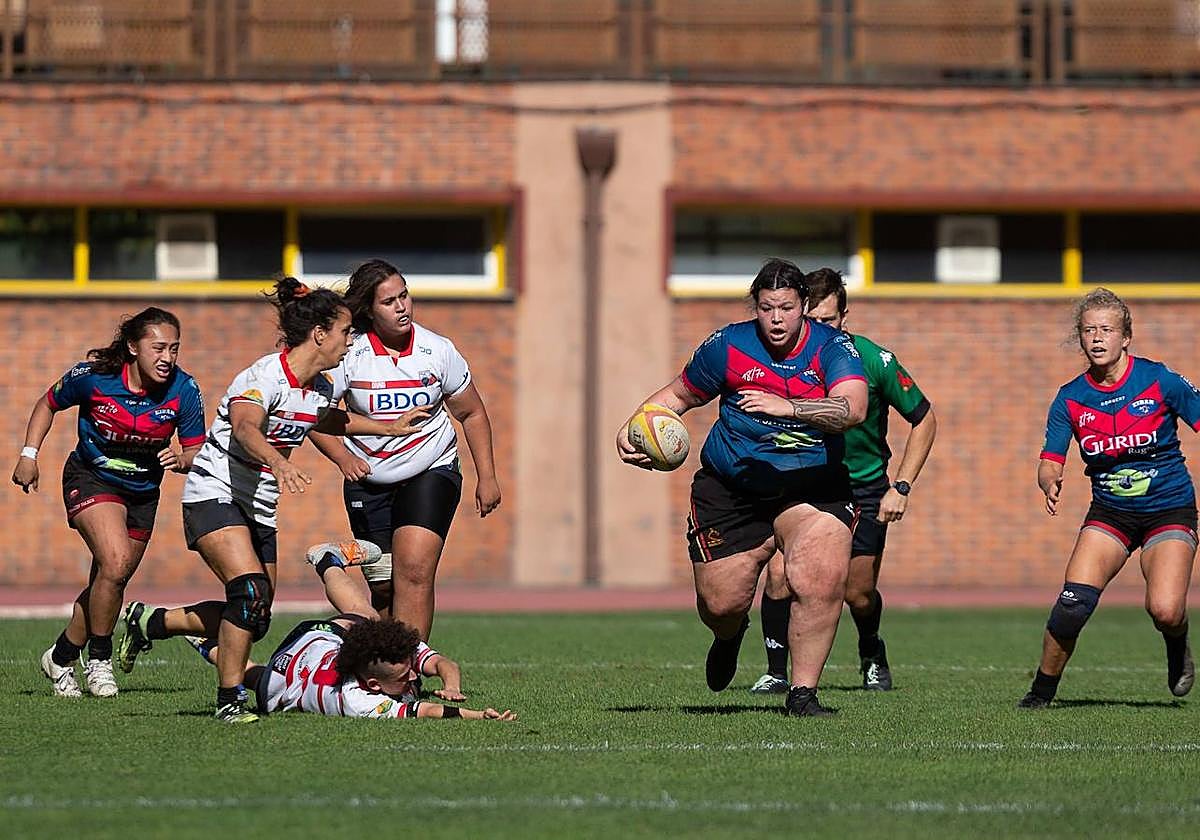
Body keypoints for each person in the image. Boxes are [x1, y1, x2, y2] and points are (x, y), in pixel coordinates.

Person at [117, 277, 428, 723]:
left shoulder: (318, 386)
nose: (349, 341)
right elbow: (245, 427)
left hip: (259, 503)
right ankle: (229, 700)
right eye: (344, 332)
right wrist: (278, 463)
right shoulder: (264, 375)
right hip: (215, 490)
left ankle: (151, 622)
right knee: (248, 593)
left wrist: (391, 427)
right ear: (319, 334)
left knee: (256, 616)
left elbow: (329, 419)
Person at [616, 258, 867, 717]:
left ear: (804, 306)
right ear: (755, 306)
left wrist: (788, 407)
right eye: (767, 308)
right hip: (733, 488)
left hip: (810, 487)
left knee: (821, 578)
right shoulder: (727, 346)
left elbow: (852, 409)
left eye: (787, 308)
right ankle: (729, 635)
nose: (776, 319)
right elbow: (677, 396)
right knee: (722, 603)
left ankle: (802, 694)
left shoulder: (834, 347)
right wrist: (633, 429)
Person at [750, 269, 937, 694]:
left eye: (829, 321)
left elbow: (925, 419)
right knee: (780, 575)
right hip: (807, 485)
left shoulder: (872, 360)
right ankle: (778, 672)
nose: (820, 330)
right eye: (811, 321)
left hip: (865, 488)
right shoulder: (784, 360)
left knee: (858, 592)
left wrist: (901, 486)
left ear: (845, 318)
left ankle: (871, 650)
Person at [1018, 289, 1200, 709]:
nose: (1097, 338)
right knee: (1072, 606)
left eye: (1106, 329)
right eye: (1088, 330)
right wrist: (1049, 479)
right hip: (1111, 514)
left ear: (1125, 337)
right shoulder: (1070, 398)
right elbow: (1049, 458)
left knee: (1166, 610)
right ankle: (1040, 694)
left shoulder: (1160, 381)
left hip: (1168, 509)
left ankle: (1177, 644)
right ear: (1080, 338)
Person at [12, 308, 205, 699]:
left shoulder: (185, 390)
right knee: (115, 563)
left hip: (143, 493)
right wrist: (30, 454)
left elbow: (194, 449)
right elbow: (47, 402)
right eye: (158, 348)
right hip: (91, 477)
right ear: (133, 347)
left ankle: (61, 656)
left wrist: (183, 460)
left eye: (174, 349)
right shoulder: (94, 378)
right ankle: (99, 659)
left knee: (110, 579)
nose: (167, 357)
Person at [308, 259, 501, 640]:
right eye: (389, 301)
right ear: (368, 310)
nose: (402, 307)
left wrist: (488, 477)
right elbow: (312, 414)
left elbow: (472, 413)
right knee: (383, 586)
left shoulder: (437, 350)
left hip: (432, 469)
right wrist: (343, 457)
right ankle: (384, 666)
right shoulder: (349, 354)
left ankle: (410, 669)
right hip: (370, 480)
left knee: (413, 571)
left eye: (404, 296)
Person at [145, 540, 515, 721]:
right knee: (253, 675)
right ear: (372, 686)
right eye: (405, 677)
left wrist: (452, 685)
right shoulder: (356, 702)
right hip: (294, 668)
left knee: (365, 617)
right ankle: (327, 561)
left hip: (318, 641)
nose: (414, 675)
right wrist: (476, 715)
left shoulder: (390, 653)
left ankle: (328, 560)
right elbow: (423, 711)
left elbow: (442, 664)